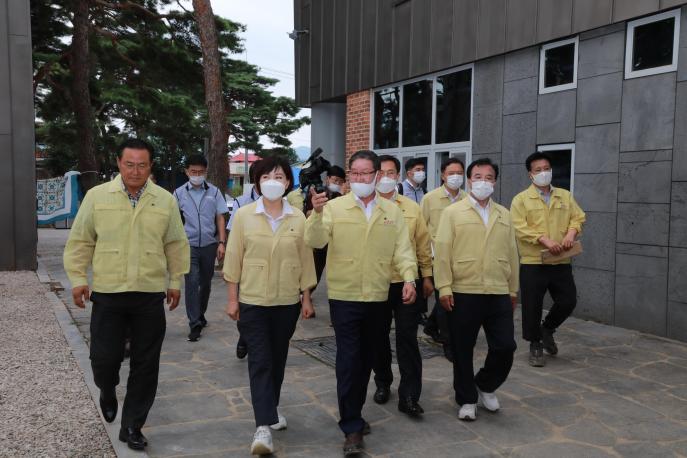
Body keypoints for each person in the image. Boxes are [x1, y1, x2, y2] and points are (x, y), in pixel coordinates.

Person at [63, 139, 190, 451]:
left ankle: (132, 425)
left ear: (150, 167)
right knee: (104, 359)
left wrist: (175, 281)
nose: (136, 171)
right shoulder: (97, 197)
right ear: (118, 163)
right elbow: (81, 241)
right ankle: (107, 389)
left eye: (142, 165)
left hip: (148, 294)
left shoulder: (164, 200)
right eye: (130, 164)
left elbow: (175, 243)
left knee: (146, 365)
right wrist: (79, 278)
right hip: (108, 292)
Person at [306, 150, 417, 456]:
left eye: (365, 174)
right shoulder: (333, 208)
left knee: (367, 358)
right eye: (354, 173)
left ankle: (353, 412)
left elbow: (404, 249)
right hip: (345, 297)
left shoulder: (391, 212)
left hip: (379, 296)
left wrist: (409, 279)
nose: (359, 179)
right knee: (349, 360)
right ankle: (351, 426)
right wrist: (315, 214)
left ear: (377, 176)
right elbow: (314, 241)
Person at [224, 156, 317, 456]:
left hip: (287, 301)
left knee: (277, 359)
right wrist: (232, 297)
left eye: (279, 176)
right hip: (252, 301)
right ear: (257, 182)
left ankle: (271, 410)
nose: (273, 182)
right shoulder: (244, 216)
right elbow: (234, 257)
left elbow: (305, 260)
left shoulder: (298, 218)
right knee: (260, 360)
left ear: (288, 182)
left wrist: (306, 298)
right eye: (266, 177)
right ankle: (263, 426)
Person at [434, 158, 519, 422]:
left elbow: (512, 254)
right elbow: (443, 252)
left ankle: (485, 384)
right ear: (470, 181)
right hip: (463, 290)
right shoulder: (453, 213)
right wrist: (444, 287)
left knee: (505, 346)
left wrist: (513, 289)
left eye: (489, 177)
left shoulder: (504, 214)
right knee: (462, 349)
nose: (483, 181)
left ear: (495, 181)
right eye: (478, 176)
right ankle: (467, 398)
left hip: (497, 290)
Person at [510, 152, 586, 367]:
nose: (544, 173)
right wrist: (543, 239)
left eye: (546, 168)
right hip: (534, 261)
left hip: (560, 259)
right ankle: (535, 343)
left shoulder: (564, 195)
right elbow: (518, 226)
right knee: (532, 305)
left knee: (568, 300)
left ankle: (548, 329)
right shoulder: (521, 199)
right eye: (538, 170)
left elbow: (578, 216)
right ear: (530, 175)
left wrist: (571, 233)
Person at [371, 155, 433, 418]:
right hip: (375, 283)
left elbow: (422, 244)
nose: (386, 177)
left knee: (407, 337)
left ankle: (409, 395)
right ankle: (383, 381)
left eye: (391, 172)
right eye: (381, 172)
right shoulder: (366, 207)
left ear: (398, 176)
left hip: (408, 282)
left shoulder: (411, 207)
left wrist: (427, 276)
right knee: (377, 337)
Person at [173, 154, 227, 342]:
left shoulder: (214, 192)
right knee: (192, 282)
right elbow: (174, 220)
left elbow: (221, 216)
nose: (197, 175)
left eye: (201, 172)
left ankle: (200, 313)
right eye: (193, 172)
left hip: (209, 244)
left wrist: (221, 242)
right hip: (188, 245)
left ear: (205, 172)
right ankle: (194, 322)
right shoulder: (178, 193)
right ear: (187, 171)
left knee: (205, 282)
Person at [420, 157, 468, 361]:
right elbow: (421, 229)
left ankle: (431, 326)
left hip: (461, 257)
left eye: (459, 173)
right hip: (437, 258)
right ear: (442, 175)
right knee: (445, 298)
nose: (456, 177)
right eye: (451, 173)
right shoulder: (430, 199)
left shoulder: (468, 198)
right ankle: (448, 342)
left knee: (449, 297)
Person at [227, 162, 259, 360]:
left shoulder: (285, 204)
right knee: (244, 307)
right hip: (246, 263)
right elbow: (233, 233)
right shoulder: (241, 202)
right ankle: (244, 337)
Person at [309, 165, 346, 290]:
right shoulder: (317, 192)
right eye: (335, 180)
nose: (337, 183)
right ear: (328, 179)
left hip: (334, 244)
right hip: (319, 244)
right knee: (314, 274)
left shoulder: (341, 197)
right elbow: (308, 213)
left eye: (340, 182)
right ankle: (304, 296)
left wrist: (342, 195)